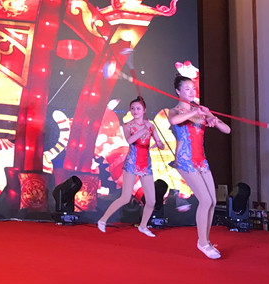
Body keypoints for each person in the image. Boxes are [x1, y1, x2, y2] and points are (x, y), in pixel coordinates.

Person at [167, 74, 230, 259]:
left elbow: (227, 129)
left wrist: (212, 118)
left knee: (213, 201)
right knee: (205, 200)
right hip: (184, 159)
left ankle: (206, 241)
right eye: (187, 89)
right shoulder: (174, 111)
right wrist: (196, 112)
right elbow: (174, 121)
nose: (191, 91)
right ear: (178, 91)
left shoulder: (201, 111)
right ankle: (202, 242)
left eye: (193, 88)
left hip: (201, 160)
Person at [97, 97, 167, 236]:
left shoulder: (151, 125)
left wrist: (159, 144)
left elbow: (161, 144)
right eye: (133, 108)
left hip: (145, 165)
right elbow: (130, 141)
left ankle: (143, 226)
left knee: (151, 201)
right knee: (125, 197)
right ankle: (103, 220)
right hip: (131, 164)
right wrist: (143, 130)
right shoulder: (127, 126)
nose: (135, 111)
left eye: (138, 108)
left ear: (144, 110)